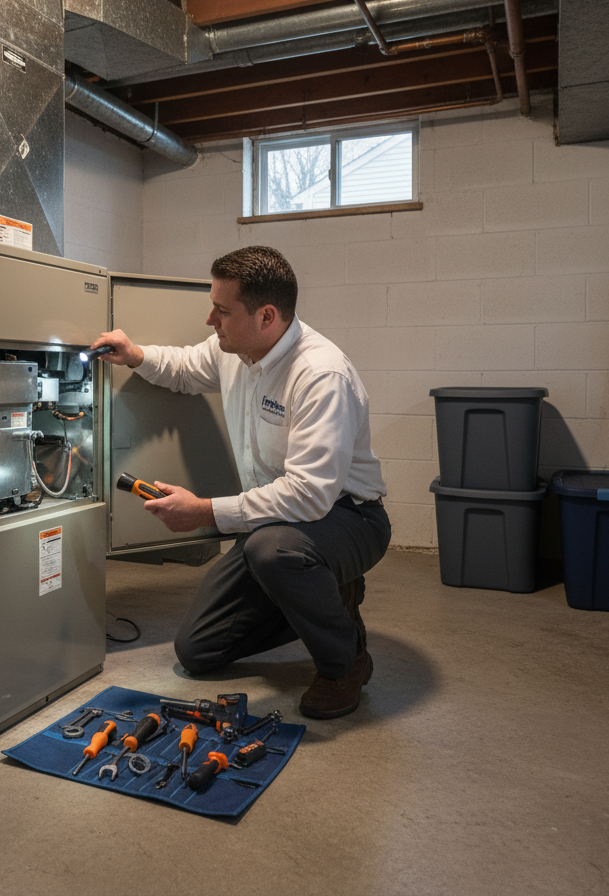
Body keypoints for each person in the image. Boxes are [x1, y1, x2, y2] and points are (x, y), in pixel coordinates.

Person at [92, 246, 390, 719]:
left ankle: (344, 661)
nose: (211, 318)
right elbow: (186, 368)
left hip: (347, 517)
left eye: (222, 310)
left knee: (273, 552)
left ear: (267, 315)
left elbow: (311, 496)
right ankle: (323, 597)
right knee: (197, 650)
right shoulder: (236, 350)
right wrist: (136, 354)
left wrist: (204, 511)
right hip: (275, 523)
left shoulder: (319, 375)